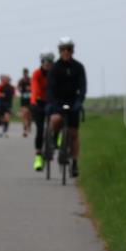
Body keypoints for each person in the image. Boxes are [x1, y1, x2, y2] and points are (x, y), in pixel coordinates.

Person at [46, 37, 86, 178]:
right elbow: (49, 88)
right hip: (58, 101)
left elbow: (82, 87)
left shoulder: (78, 67)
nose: (66, 52)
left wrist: (79, 101)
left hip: (73, 101)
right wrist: (53, 102)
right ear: (59, 51)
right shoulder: (55, 68)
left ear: (72, 50)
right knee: (56, 119)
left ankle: (74, 163)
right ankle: (55, 138)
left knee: (73, 134)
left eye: (68, 49)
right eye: (63, 49)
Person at [30, 53, 54, 171]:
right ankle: (38, 156)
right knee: (40, 129)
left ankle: (57, 139)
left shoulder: (56, 72)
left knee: (55, 123)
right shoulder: (37, 73)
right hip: (39, 102)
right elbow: (34, 87)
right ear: (41, 62)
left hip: (52, 102)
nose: (47, 64)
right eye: (45, 61)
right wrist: (33, 101)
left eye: (49, 61)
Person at [17, 68, 32, 137]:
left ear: (27, 73)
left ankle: (29, 125)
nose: (25, 74)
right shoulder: (21, 80)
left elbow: (34, 87)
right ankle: (25, 130)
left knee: (29, 115)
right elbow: (18, 88)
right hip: (23, 100)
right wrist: (20, 89)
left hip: (30, 99)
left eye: (26, 72)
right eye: (24, 73)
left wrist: (30, 88)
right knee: (24, 115)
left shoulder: (30, 80)